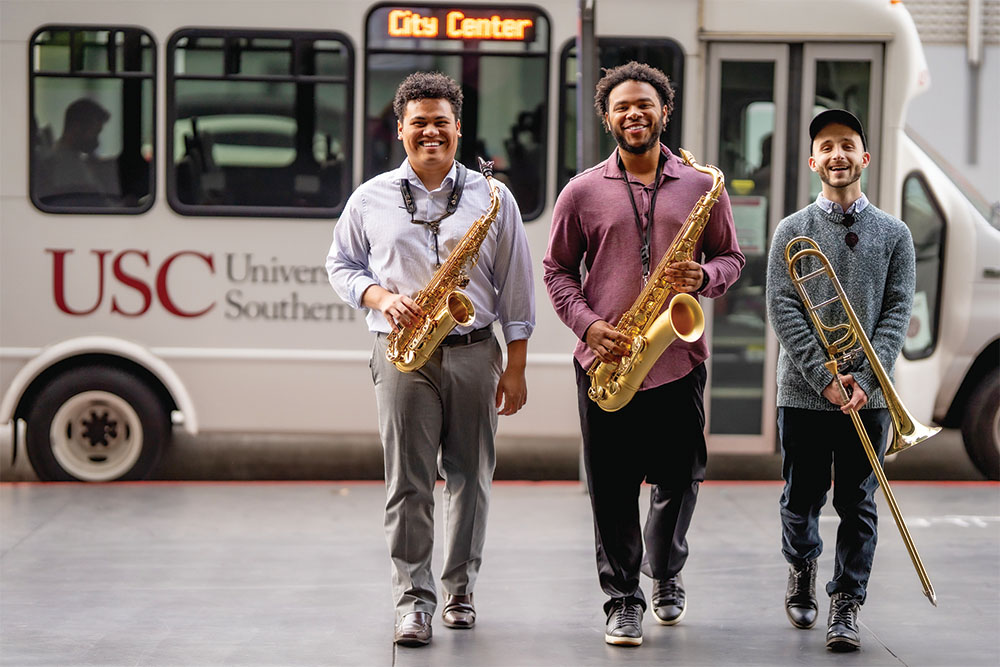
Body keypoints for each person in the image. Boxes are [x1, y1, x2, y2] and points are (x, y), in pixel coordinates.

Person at [326, 72, 534, 648]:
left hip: (474, 351)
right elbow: (341, 266)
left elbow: (517, 286)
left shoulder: (495, 197)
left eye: (441, 121)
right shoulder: (369, 198)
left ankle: (460, 591)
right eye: (419, 122)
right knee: (408, 483)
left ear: (458, 129)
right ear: (400, 131)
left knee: (472, 477)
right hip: (403, 354)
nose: (431, 131)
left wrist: (515, 365)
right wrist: (383, 298)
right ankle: (412, 600)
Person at [543, 61, 745, 647]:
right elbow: (557, 269)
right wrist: (588, 325)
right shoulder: (581, 191)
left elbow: (731, 258)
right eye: (623, 106)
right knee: (610, 484)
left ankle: (666, 570)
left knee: (681, 478)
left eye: (645, 105)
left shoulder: (703, 186)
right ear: (608, 117)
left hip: (678, 358)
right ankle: (623, 597)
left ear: (666, 111)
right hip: (607, 357)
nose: (635, 114)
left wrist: (703, 276)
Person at [765, 109, 915, 652]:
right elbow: (783, 309)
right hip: (805, 394)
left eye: (847, 145)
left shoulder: (894, 233)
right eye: (826, 147)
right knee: (800, 498)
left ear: (864, 157)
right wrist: (824, 376)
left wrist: (866, 380)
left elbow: (897, 312)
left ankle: (847, 603)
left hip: (869, 395)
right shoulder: (791, 230)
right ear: (813, 161)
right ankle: (802, 568)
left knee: (859, 503)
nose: (837, 155)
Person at [35, 98, 113, 205]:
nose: (96, 140)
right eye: (95, 132)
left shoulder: (73, 158)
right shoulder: (64, 164)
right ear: (76, 127)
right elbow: (91, 204)